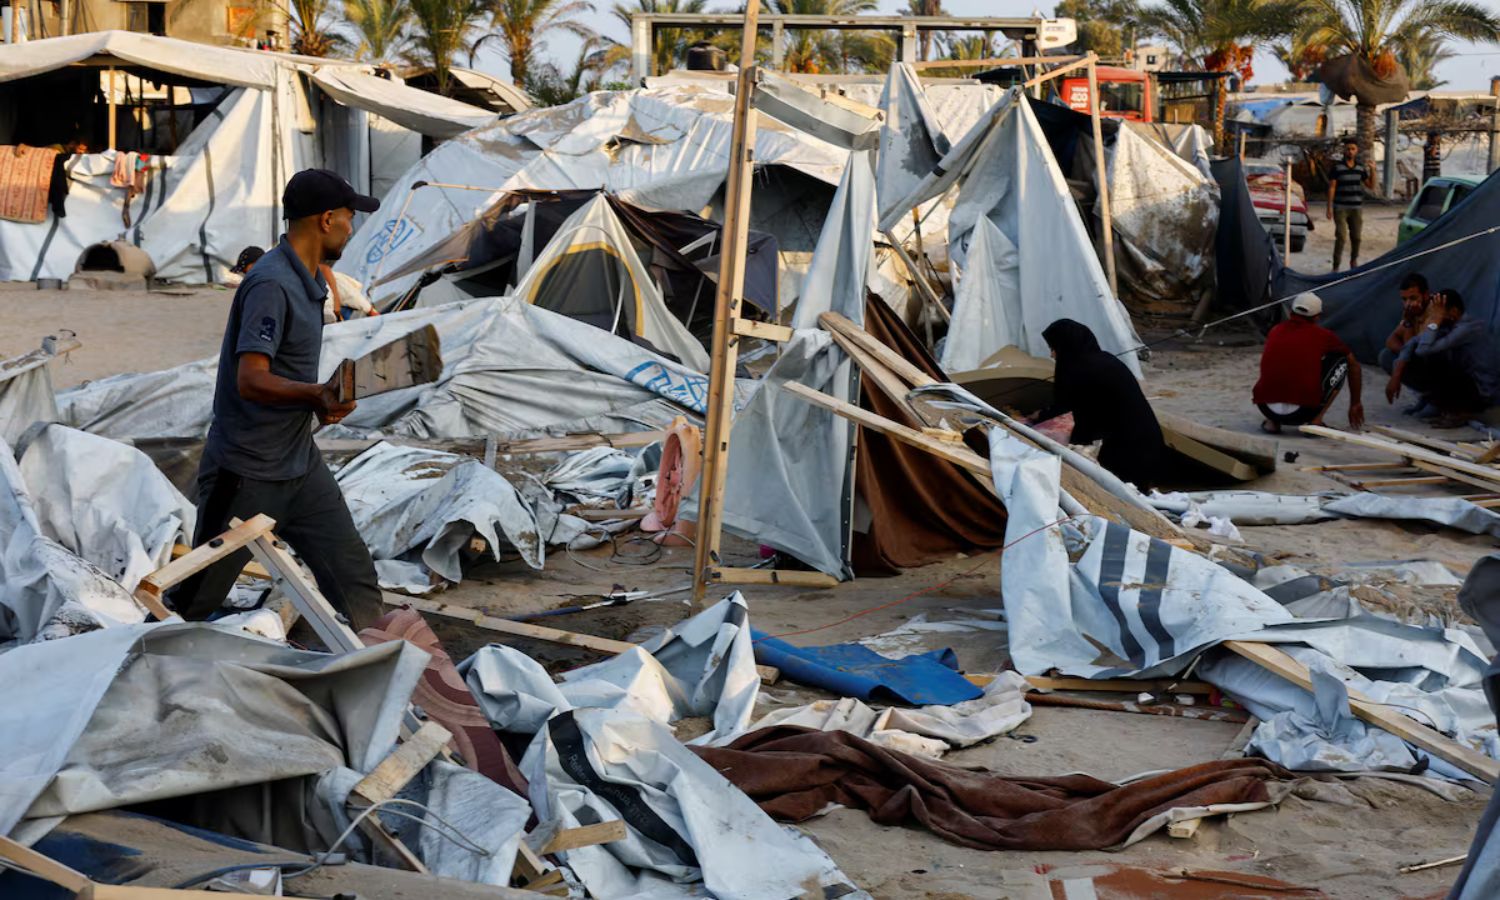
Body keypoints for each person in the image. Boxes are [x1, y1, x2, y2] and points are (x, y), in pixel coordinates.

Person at [169, 169, 384, 629]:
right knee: (196, 600)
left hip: (299, 465)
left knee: (354, 579)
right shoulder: (271, 283)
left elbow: (287, 377)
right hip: (247, 472)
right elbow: (251, 378)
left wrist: (325, 399)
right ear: (327, 220)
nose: (352, 227)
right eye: (349, 217)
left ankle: (381, 671)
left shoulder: (312, 281)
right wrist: (313, 393)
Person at [1035, 319, 1167, 490]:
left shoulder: (1083, 372)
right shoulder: (1103, 360)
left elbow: (1079, 414)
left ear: (1066, 346)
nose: (1052, 355)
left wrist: (1042, 422)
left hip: (1129, 452)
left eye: (1054, 348)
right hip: (1149, 443)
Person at [1252, 291, 1364, 434]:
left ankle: (1272, 422)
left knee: (1279, 364)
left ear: (1292, 311)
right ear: (1317, 317)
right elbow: (1354, 365)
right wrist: (1355, 403)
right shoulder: (1324, 336)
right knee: (1342, 360)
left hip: (1266, 407)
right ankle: (1316, 421)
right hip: (1303, 412)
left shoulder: (1276, 330)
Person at [1385, 288, 1500, 426]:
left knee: (1434, 359)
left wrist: (1434, 320)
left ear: (1454, 312)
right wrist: (1396, 375)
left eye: (1438, 312)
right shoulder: (1448, 324)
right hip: (1468, 383)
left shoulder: (1467, 329)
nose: (1433, 315)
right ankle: (1436, 402)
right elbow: (1413, 344)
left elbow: (1423, 350)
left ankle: (1458, 412)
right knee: (1392, 357)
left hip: (1483, 393)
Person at [1379, 273, 1430, 399]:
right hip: (1420, 357)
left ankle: (1436, 401)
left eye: (1413, 298)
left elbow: (1419, 350)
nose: (1408, 304)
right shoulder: (1411, 312)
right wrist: (1408, 323)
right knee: (1386, 356)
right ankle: (1427, 397)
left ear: (1426, 295)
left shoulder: (1434, 311)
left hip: (1438, 362)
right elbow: (1391, 340)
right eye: (1404, 299)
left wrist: (1398, 373)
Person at [1327, 139, 1374, 271]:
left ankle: (1353, 260)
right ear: (1344, 151)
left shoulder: (1360, 168)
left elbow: (1370, 185)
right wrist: (1329, 207)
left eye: (1353, 149)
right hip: (1340, 207)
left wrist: (1373, 170)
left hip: (1356, 208)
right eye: (1348, 149)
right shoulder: (1337, 168)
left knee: (1357, 237)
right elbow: (1332, 188)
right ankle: (1335, 266)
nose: (1350, 151)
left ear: (1356, 150)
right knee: (1341, 236)